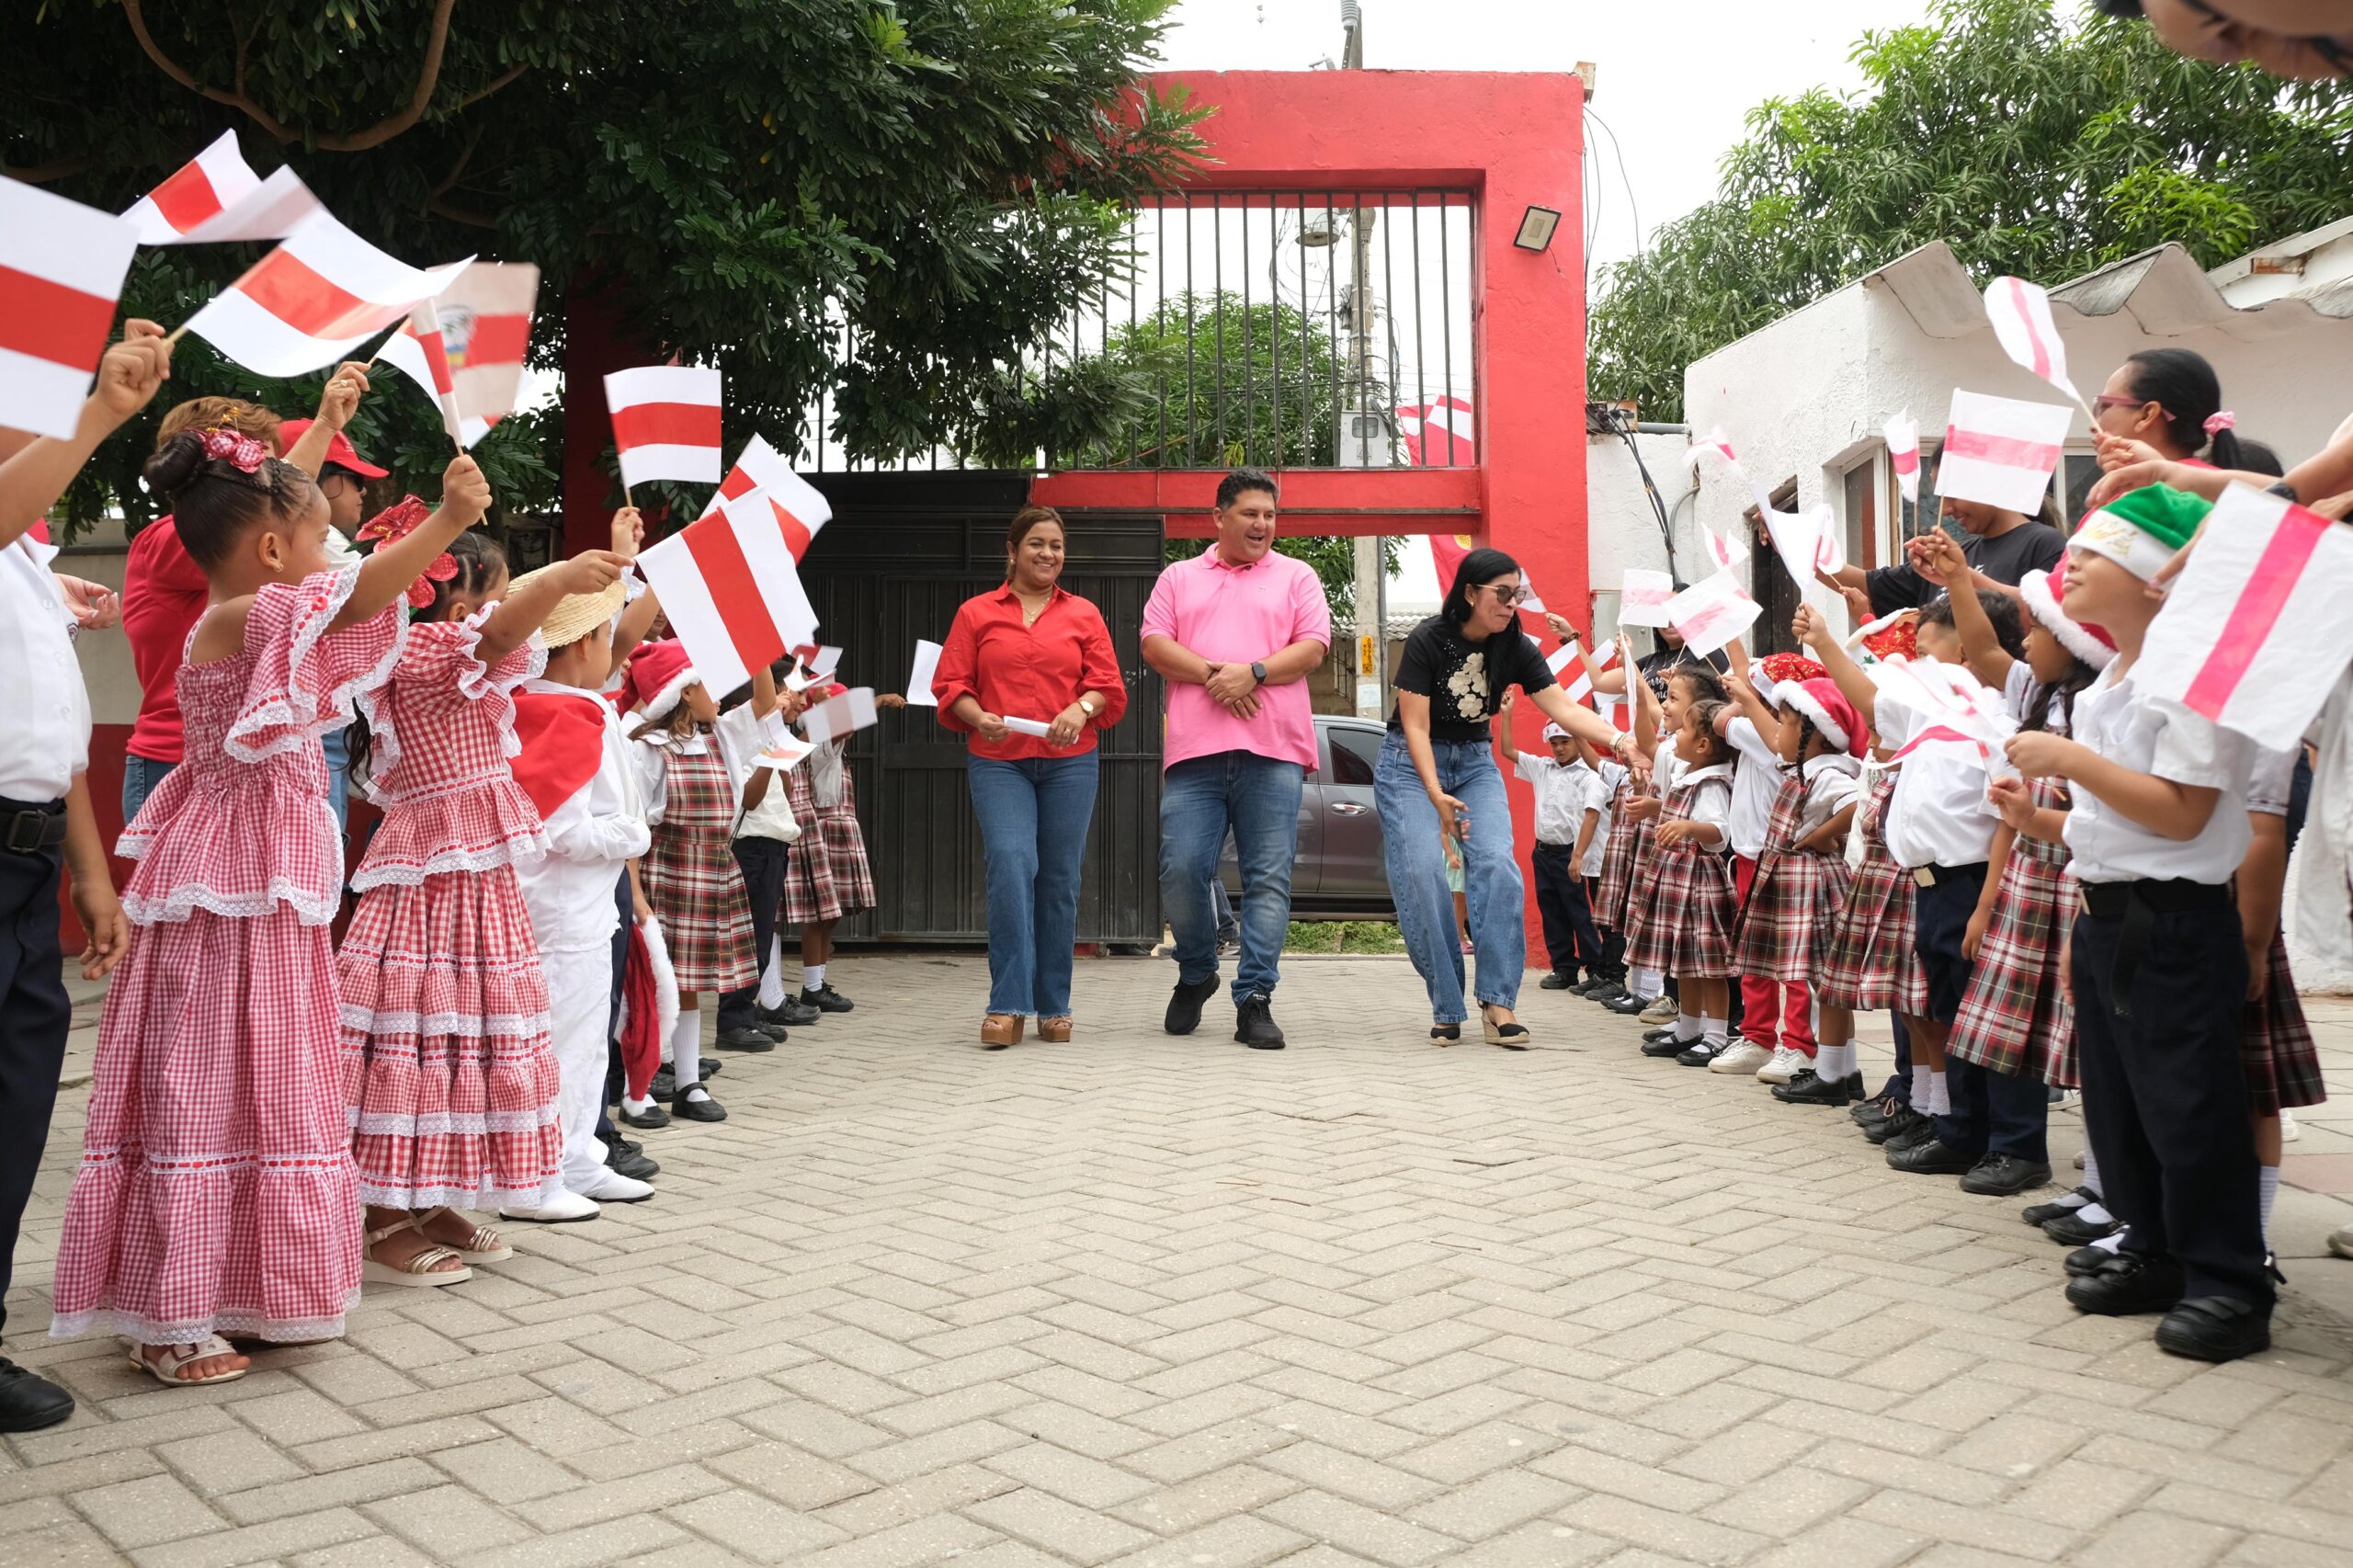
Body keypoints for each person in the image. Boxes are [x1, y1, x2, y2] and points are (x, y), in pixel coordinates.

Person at [51, 420, 481, 1387]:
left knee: (269, 1073)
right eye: (324, 536)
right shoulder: (238, 614)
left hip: (265, 886)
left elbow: (353, 592)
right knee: (201, 1079)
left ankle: (254, 1288)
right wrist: (450, 518)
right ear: (277, 550)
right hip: (224, 888)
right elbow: (363, 591)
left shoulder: (263, 619)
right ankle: (166, 1314)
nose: (335, 554)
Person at [2006, 483, 2273, 1362]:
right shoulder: (2117, 677)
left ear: (2159, 579)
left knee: (2190, 1106)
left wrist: (2069, 760)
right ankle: (2154, 1247)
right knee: (2121, 1104)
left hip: (2174, 926)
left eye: (2092, 553)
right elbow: (2116, 828)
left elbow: (2185, 815)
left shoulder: (2194, 672)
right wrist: (2040, 816)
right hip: (2109, 915)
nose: (2067, 566)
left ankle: (2228, 1281)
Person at [339, 518, 631, 1267]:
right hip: (429, 874)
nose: (497, 609)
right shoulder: (419, 652)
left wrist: (587, 577)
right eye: (487, 595)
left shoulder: (463, 657)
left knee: (467, 1032)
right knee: (417, 1031)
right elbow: (501, 635)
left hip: (475, 875)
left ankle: (430, 1197)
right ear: (440, 597)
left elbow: (506, 637)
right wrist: (561, 578)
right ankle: (381, 1212)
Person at [0, 325, 168, 1427]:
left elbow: (52, 736)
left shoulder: (27, 562)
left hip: (24, 865)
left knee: (16, 1112)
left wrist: (91, 875)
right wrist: (101, 410)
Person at [1380, 551, 1635, 1047]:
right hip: (1411, 765)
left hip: (1473, 760)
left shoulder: (1516, 645)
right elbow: (1414, 723)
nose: (1511, 603)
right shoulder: (1429, 638)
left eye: (1517, 594)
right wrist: (1435, 795)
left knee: (1497, 865)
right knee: (1422, 875)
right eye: (1502, 592)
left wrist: (1622, 742)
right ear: (1470, 593)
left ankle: (1498, 1001)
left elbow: (1561, 705)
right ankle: (1447, 1002)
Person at [119, 364, 368, 824]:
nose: (275, 482)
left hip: (271, 761)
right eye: (260, 467)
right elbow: (265, 508)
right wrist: (324, 427)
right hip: (180, 762)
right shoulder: (164, 541)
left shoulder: (268, 552)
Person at [1141, 469, 1332, 1049]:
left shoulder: (1297, 575)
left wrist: (1251, 672)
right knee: (1181, 869)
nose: (1262, 525)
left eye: (1270, 515)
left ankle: (1254, 999)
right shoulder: (1179, 577)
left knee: (1267, 879)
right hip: (1195, 754)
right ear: (1218, 517)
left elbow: (1313, 647)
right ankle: (1196, 970)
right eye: (1250, 513)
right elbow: (1153, 643)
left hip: (1273, 753)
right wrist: (1213, 674)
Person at [934, 506, 1130, 1049]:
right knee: (1012, 865)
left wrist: (1081, 709)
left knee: (1060, 878)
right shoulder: (976, 613)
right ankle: (1007, 1004)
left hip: (1071, 761)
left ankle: (1054, 1006)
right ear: (1013, 550)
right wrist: (977, 718)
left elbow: (1108, 685)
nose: (1048, 554)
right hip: (1000, 762)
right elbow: (951, 684)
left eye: (1057, 546)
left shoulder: (1084, 614)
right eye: (1037, 544)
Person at [509, 566, 658, 1210]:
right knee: (561, 1038)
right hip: (562, 908)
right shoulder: (559, 713)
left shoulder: (570, 707)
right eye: (604, 638)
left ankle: (577, 1155)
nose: (611, 651)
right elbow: (564, 830)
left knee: (586, 1032)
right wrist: (634, 834)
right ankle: (538, 1173)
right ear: (579, 647)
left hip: (582, 909)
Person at [627, 641, 780, 1125]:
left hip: (714, 867)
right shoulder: (649, 749)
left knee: (690, 984)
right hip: (667, 869)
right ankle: (642, 1085)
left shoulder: (722, 737)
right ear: (686, 691)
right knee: (654, 984)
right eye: (708, 682)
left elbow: (764, 703)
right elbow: (633, 826)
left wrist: (759, 647)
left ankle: (688, 1084)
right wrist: (635, 894)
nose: (719, 693)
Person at [1728, 676, 1866, 1096]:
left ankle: (1836, 1072)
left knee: (1826, 981)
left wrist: (1823, 835)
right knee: (1819, 981)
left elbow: (1857, 803)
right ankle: (1837, 1070)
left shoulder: (1827, 772)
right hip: (1796, 881)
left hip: (1815, 883)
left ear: (1816, 736)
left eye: (1786, 724)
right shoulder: (1804, 769)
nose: (1778, 733)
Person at [1619, 698, 1740, 1062]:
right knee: (1684, 959)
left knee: (1709, 963)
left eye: (1685, 730)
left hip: (1699, 879)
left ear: (1703, 745)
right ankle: (1689, 1026)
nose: (1678, 736)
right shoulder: (1689, 776)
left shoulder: (1712, 783)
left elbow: (1719, 832)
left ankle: (1716, 1034)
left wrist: (1688, 827)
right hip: (1678, 878)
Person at [1820, 454, 2064, 619]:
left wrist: (1959, 576)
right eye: (1941, 498)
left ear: (1989, 481)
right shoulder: (1954, 556)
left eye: (1953, 495)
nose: (1946, 509)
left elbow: (2046, 613)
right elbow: (1866, 583)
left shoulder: (2046, 545)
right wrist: (1803, 552)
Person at [1495, 694, 1602, 991]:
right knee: (1552, 911)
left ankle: (1596, 969)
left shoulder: (1587, 776)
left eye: (1565, 742)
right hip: (1543, 852)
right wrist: (1507, 715)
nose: (1559, 748)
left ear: (1577, 742)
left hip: (1569, 853)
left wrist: (1577, 856)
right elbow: (1507, 750)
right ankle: (1564, 967)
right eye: (1554, 743)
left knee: (1579, 912)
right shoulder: (1542, 767)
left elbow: (1591, 816)